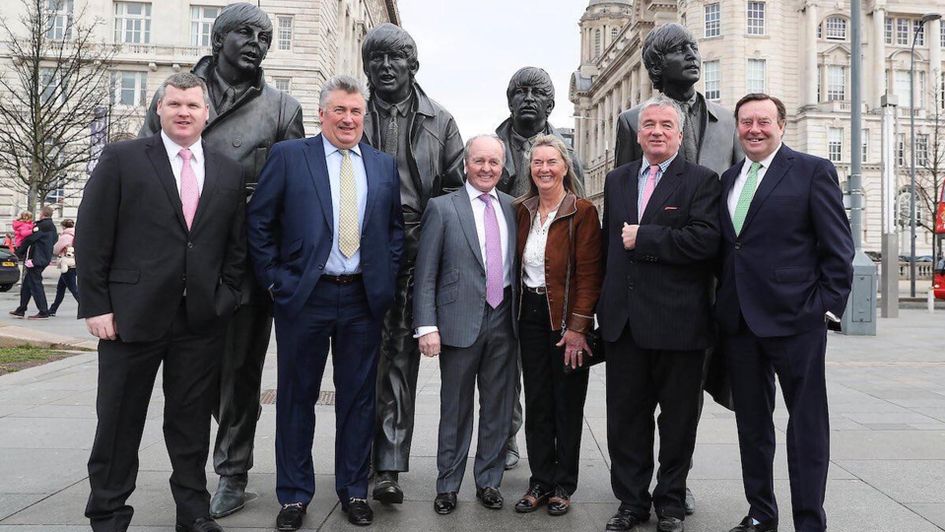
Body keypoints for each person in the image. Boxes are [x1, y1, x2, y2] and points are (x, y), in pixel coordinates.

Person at [140, 3, 305, 518]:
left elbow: (295, 190)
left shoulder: (280, 107)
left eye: (266, 35)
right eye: (246, 32)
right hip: (183, 257)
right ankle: (191, 469)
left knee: (240, 372)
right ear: (219, 38)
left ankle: (232, 472)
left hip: (249, 260)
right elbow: (148, 170)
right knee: (192, 374)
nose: (258, 41)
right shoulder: (180, 95)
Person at [78, 72, 246, 532]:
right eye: (175, 104)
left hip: (199, 321)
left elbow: (236, 247)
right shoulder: (122, 159)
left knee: (190, 424)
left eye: (193, 105)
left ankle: (192, 512)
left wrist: (226, 298)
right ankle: (108, 513)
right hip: (130, 318)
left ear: (206, 113)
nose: (184, 112)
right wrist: (96, 306)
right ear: (160, 109)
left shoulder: (228, 171)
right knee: (118, 421)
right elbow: (93, 236)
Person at [246, 75, 404, 530]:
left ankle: (354, 490)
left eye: (356, 112)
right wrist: (277, 282)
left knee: (358, 400)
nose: (348, 119)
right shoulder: (291, 157)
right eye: (339, 110)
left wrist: (384, 279)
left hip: (361, 299)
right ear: (322, 113)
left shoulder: (382, 165)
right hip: (305, 297)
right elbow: (260, 223)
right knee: (296, 398)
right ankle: (294, 496)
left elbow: (393, 231)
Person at [716, 94, 854, 532]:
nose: (754, 129)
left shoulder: (812, 171)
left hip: (796, 321)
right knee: (752, 427)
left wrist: (826, 310)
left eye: (763, 121)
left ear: (781, 125)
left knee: (806, 426)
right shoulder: (729, 178)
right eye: (746, 122)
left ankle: (809, 521)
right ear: (737, 127)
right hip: (739, 323)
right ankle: (760, 513)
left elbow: (839, 248)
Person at [599, 95, 722, 532]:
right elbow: (609, 249)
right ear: (638, 133)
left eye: (665, 125)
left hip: (679, 326)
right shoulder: (617, 180)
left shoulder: (704, 182)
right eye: (648, 124)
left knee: (678, 424)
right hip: (625, 325)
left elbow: (706, 243)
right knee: (626, 422)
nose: (655, 131)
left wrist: (646, 238)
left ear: (680, 134)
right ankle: (631, 503)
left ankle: (670, 503)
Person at [360, 23, 465, 505]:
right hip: (356, 246)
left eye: (395, 59)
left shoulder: (440, 121)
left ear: (412, 66)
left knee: (400, 357)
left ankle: (388, 465)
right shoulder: (351, 113)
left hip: (414, 245)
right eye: (376, 59)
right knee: (359, 357)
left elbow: (452, 190)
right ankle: (356, 455)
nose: (385, 67)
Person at [413, 134, 519, 515]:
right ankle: (448, 484)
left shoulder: (513, 207)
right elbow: (425, 272)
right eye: (479, 161)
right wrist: (426, 325)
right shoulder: (442, 208)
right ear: (466, 164)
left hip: (504, 320)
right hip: (457, 323)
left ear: (504, 166)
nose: (487, 168)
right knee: (455, 407)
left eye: (494, 162)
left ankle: (489, 481)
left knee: (498, 408)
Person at [494, 66, 585, 469]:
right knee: (502, 368)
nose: (528, 98)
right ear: (509, 100)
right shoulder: (491, 147)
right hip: (501, 276)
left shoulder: (567, 155)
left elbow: (581, 213)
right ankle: (507, 436)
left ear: (551, 103)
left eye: (538, 92)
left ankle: (551, 458)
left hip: (547, 285)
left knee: (543, 375)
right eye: (520, 91)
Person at [512, 134, 602, 516]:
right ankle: (540, 480)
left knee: (567, 403)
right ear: (530, 169)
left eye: (551, 162)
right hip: (528, 317)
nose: (544, 169)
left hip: (566, 320)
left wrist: (578, 327)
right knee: (537, 402)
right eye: (537, 163)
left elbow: (590, 274)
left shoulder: (582, 212)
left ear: (565, 166)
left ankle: (564, 483)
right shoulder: (521, 209)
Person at [614, 23, 741, 176]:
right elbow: (622, 187)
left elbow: (741, 182)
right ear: (656, 66)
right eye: (679, 50)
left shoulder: (729, 120)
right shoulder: (631, 121)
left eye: (694, 48)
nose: (692, 55)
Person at [10, 206, 57, 320]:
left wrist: (19, 251)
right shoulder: (52, 227)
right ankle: (21, 309)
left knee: (36, 284)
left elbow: (29, 239)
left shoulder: (41, 226)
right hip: (43, 257)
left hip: (35, 258)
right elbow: (55, 239)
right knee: (27, 283)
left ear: (43, 214)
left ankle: (43, 311)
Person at [48, 218, 78, 317]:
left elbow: (55, 250)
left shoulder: (65, 236)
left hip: (66, 264)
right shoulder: (77, 234)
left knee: (73, 289)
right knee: (60, 288)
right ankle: (53, 309)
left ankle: (87, 308)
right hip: (74, 263)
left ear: (63, 226)